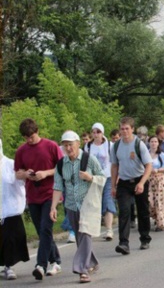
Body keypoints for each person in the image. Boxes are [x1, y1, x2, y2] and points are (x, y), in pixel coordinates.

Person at [51, 131, 104, 284]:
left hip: (88, 204)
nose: (68, 148)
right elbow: (57, 186)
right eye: (65, 145)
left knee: (85, 234)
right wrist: (53, 207)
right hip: (71, 206)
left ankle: (82, 269)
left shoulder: (89, 159)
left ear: (78, 144)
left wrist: (91, 177)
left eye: (70, 145)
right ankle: (92, 262)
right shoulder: (61, 164)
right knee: (80, 238)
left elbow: (102, 178)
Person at [14, 118, 62, 280]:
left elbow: (63, 168)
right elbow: (17, 173)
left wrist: (45, 173)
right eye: (26, 137)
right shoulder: (21, 151)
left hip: (51, 194)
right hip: (33, 195)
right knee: (42, 232)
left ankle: (40, 265)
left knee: (45, 229)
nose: (29, 140)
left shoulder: (51, 146)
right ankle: (56, 261)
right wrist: (26, 174)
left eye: (31, 136)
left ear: (37, 132)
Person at [110, 117, 152, 255]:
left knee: (143, 211)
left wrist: (141, 183)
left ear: (132, 129)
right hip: (124, 182)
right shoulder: (116, 146)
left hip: (140, 178)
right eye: (122, 129)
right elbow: (115, 166)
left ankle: (145, 238)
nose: (124, 131)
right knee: (124, 211)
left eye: (127, 128)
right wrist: (113, 186)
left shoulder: (139, 144)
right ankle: (123, 243)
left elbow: (148, 165)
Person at [0, 139, 29, 281]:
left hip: (10, 207)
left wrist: (21, 175)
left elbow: (21, 181)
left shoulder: (10, 164)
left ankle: (9, 266)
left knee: (11, 238)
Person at [84, 123, 116, 241]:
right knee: (93, 203)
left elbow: (114, 162)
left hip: (107, 177)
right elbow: (85, 161)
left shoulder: (110, 145)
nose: (96, 134)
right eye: (94, 132)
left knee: (107, 201)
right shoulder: (88, 146)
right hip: (93, 178)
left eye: (98, 132)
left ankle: (109, 230)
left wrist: (115, 176)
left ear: (102, 133)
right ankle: (93, 229)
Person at [147, 136, 164, 231]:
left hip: (160, 179)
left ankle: (161, 223)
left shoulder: (162, 155)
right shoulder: (145, 154)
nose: (153, 143)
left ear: (158, 143)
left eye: (155, 141)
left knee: (160, 201)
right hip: (149, 180)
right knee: (150, 201)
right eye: (151, 141)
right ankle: (156, 217)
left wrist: (158, 170)